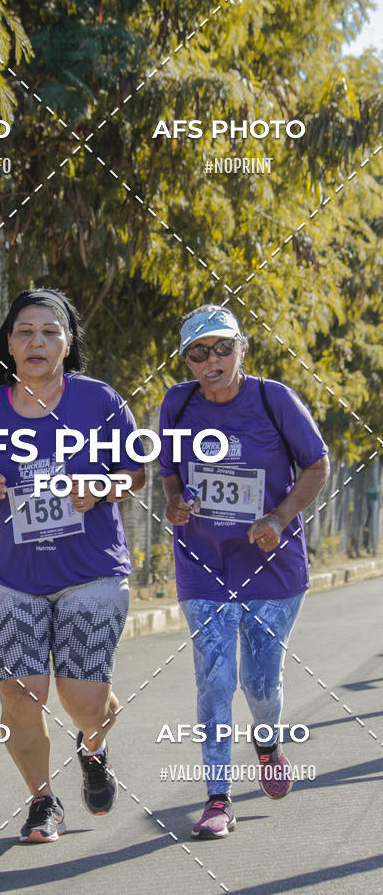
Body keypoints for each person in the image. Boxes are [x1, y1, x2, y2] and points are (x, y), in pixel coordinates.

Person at [0, 288, 145, 843]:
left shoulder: (100, 402)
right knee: (19, 697)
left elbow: (135, 475)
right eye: (25, 331)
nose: (37, 341)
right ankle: (42, 803)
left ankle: (93, 747)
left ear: (68, 343)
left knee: (83, 702)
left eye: (49, 331)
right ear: (9, 343)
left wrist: (100, 486)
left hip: (91, 574)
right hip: (12, 581)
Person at [159, 304, 329, 840]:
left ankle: (267, 741)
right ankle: (217, 798)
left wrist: (279, 516)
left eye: (223, 347)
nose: (213, 360)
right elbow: (169, 474)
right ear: (186, 361)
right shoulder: (177, 404)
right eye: (198, 352)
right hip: (204, 563)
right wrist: (176, 505)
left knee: (259, 683)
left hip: (272, 566)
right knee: (214, 681)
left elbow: (318, 465)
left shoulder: (273, 399)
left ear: (241, 348)